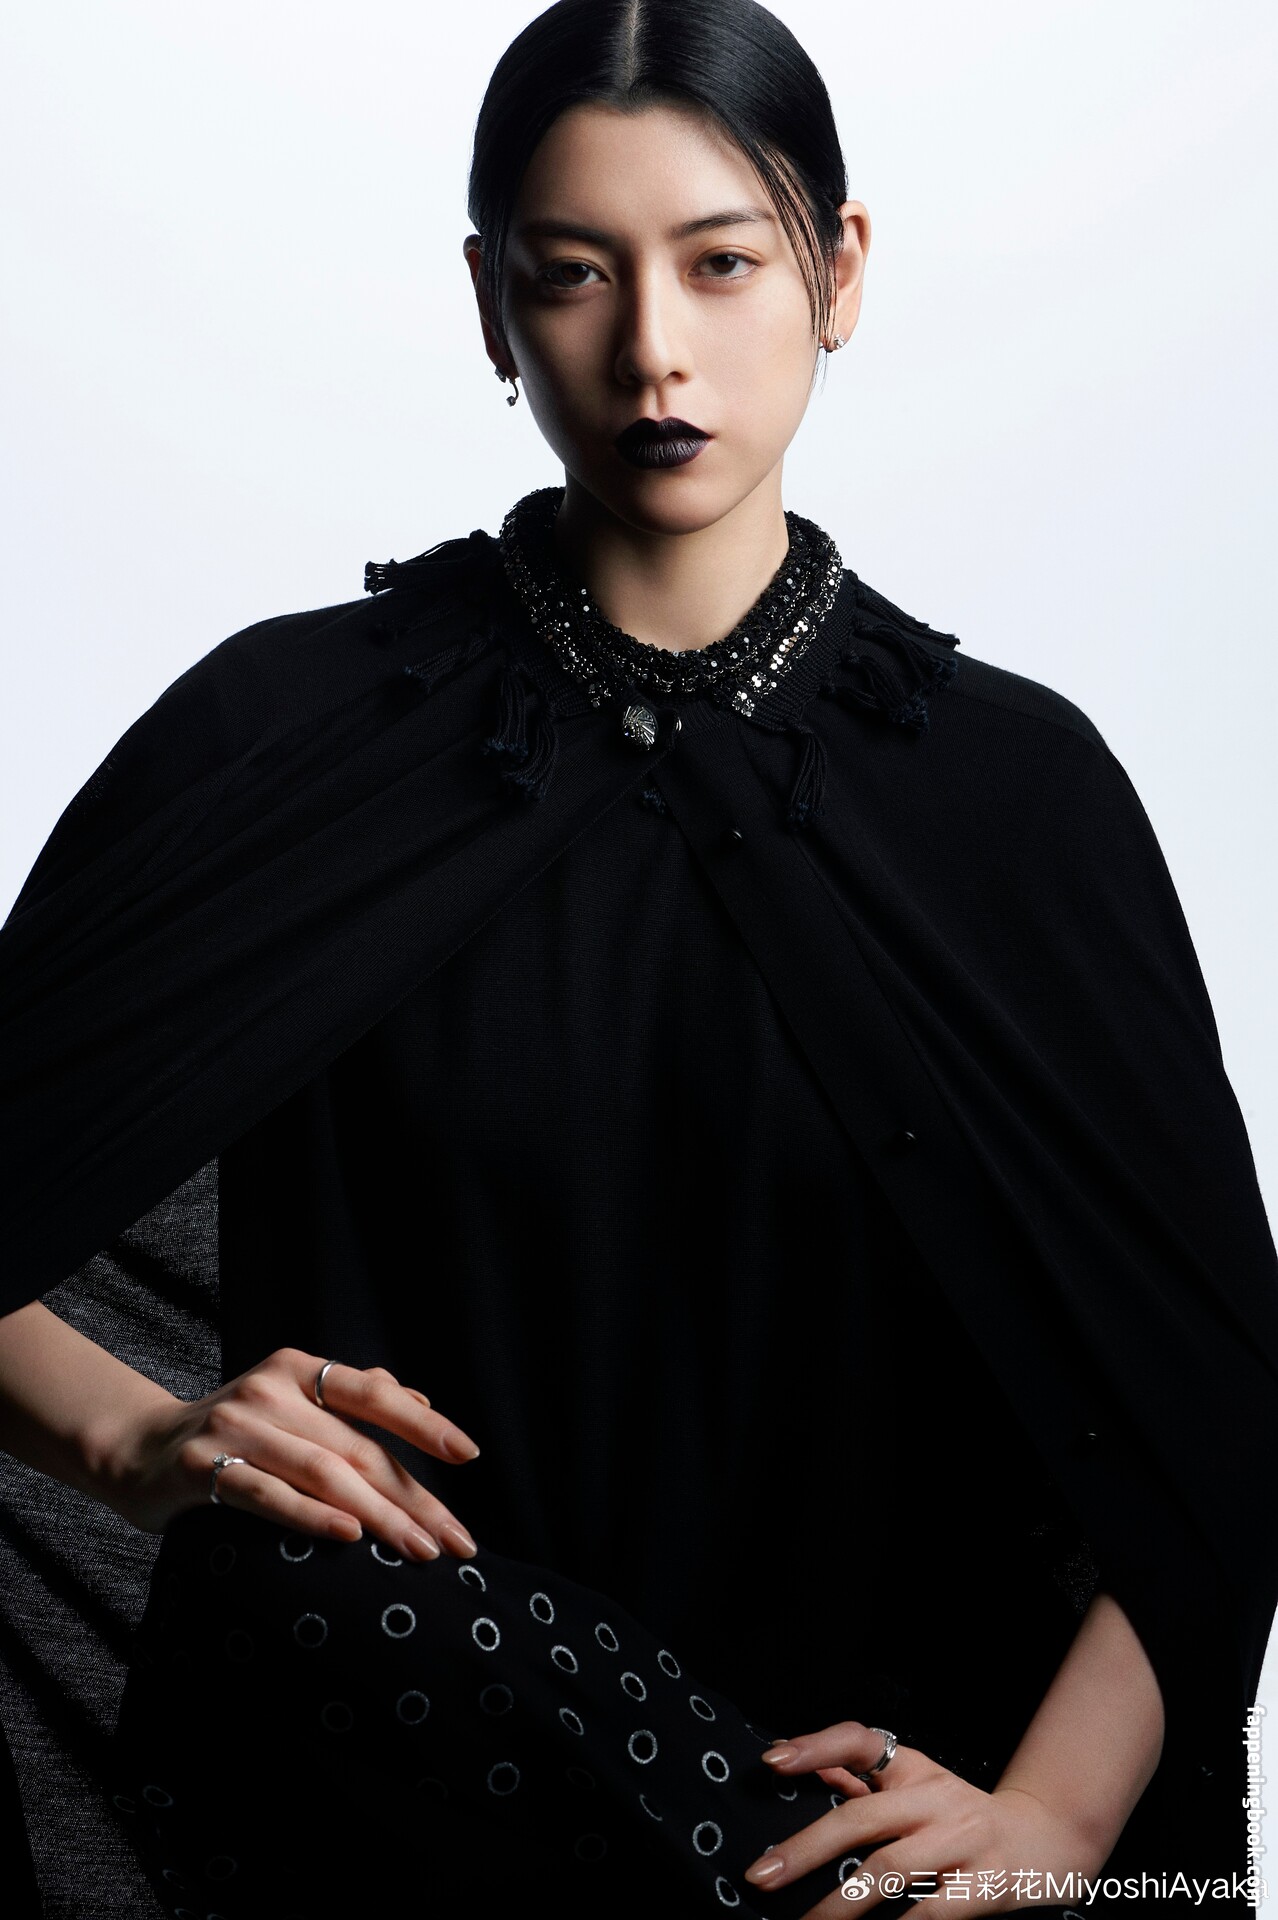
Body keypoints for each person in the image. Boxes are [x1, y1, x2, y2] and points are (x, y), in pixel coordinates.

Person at [1, 2, 1276, 1915]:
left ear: (839, 273)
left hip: (866, 1869)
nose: (652, 349)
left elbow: (1208, 1400)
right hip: (374, 1831)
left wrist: (1057, 1823)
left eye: (722, 262)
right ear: (487, 302)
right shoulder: (279, 737)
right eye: (572, 274)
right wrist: (128, 1436)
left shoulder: (1021, 796)